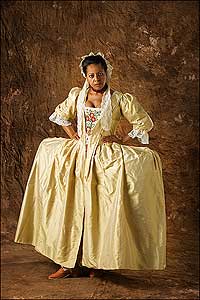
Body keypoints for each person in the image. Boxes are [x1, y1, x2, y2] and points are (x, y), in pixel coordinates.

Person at [14, 52, 166, 279]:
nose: (97, 79)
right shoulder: (76, 96)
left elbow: (143, 122)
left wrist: (120, 139)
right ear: (85, 76)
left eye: (100, 75)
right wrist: (74, 134)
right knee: (70, 207)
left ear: (107, 74)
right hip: (77, 157)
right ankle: (67, 263)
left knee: (100, 210)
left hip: (103, 159)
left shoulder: (118, 99)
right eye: (92, 75)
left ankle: (97, 261)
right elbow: (61, 116)